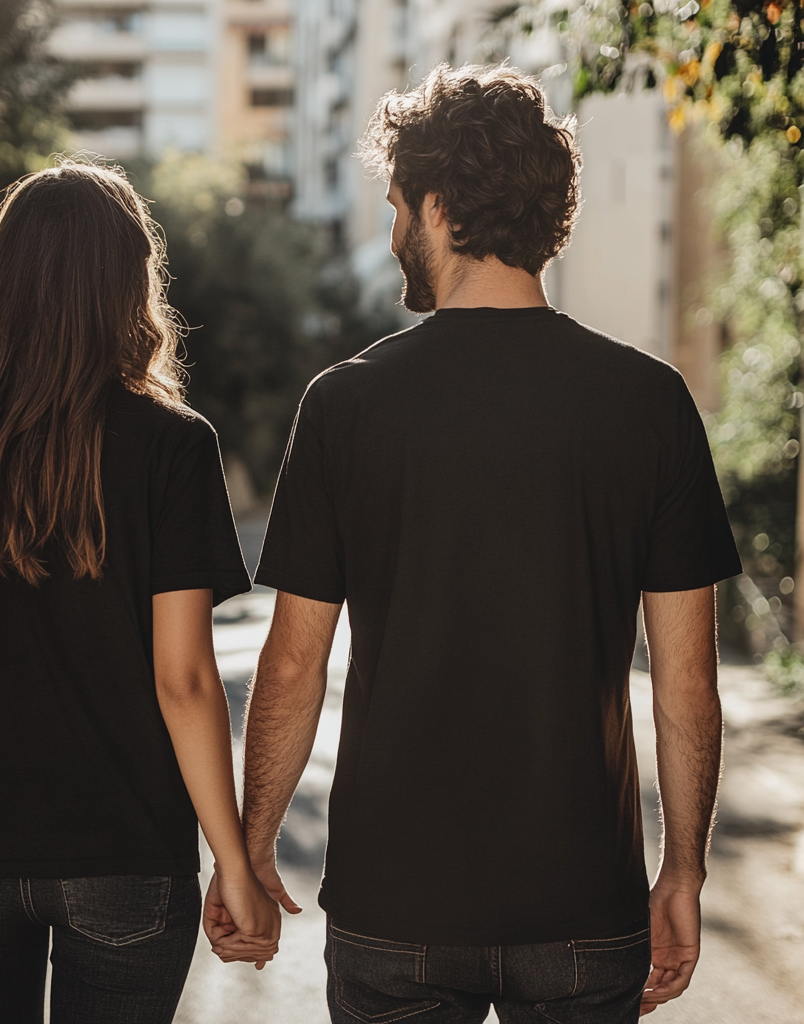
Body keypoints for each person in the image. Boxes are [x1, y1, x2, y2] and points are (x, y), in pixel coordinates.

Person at [214, 65, 743, 1022]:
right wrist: (683, 870)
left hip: (395, 914)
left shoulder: (347, 406)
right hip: (586, 908)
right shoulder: (649, 403)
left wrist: (249, 848)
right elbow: (687, 681)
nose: (392, 238)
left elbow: (293, 664)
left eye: (397, 208)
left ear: (440, 205)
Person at [0, 161, 279, 1024]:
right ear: (128, 284)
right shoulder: (174, 446)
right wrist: (233, 859)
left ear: (1, 278)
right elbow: (185, 680)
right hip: (126, 856)